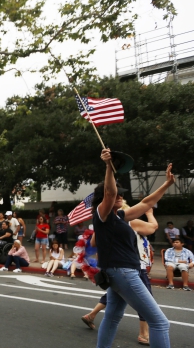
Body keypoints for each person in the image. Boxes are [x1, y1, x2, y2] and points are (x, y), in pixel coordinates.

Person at [92, 147, 173, 348]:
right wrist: (109, 166)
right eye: (118, 193)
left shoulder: (119, 216)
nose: (120, 196)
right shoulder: (103, 215)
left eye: (122, 194)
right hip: (123, 272)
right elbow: (110, 192)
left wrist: (167, 184)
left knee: (112, 317)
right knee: (160, 322)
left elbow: (147, 203)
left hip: (120, 272)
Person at [81, 205, 158, 345]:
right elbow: (153, 227)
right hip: (132, 267)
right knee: (157, 318)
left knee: (114, 307)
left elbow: (93, 242)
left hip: (115, 268)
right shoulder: (129, 222)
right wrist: (149, 213)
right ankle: (143, 333)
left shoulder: (106, 223)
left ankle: (91, 315)